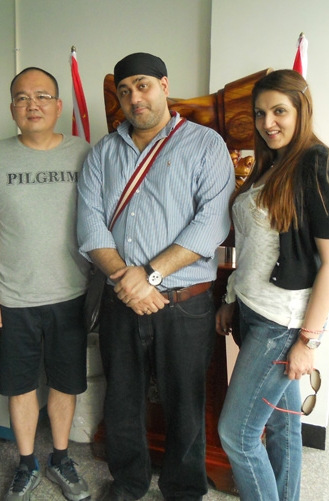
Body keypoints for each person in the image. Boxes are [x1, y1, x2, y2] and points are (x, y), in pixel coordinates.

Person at [77, 52, 235, 500]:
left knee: (185, 403)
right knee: (122, 399)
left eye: (143, 85)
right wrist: (125, 280)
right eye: (125, 91)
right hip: (121, 300)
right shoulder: (102, 153)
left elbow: (211, 224)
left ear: (164, 86)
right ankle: (127, 483)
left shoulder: (205, 144)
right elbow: (89, 224)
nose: (134, 98)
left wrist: (149, 275)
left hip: (184, 303)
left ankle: (183, 490)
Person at [215, 69, 329, 501]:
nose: (267, 122)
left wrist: (308, 341)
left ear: (301, 111)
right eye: (260, 113)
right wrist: (231, 298)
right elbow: (254, 247)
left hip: (282, 324)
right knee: (282, 423)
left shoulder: (319, 166)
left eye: (279, 111)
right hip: (252, 311)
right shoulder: (269, 164)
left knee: (237, 435)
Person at [0, 67, 92, 501]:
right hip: (12, 296)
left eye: (41, 96)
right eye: (22, 98)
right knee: (19, 386)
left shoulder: (83, 153)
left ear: (58, 106)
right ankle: (26, 463)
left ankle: (61, 458)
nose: (32, 105)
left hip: (70, 293)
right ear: (12, 109)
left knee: (65, 383)